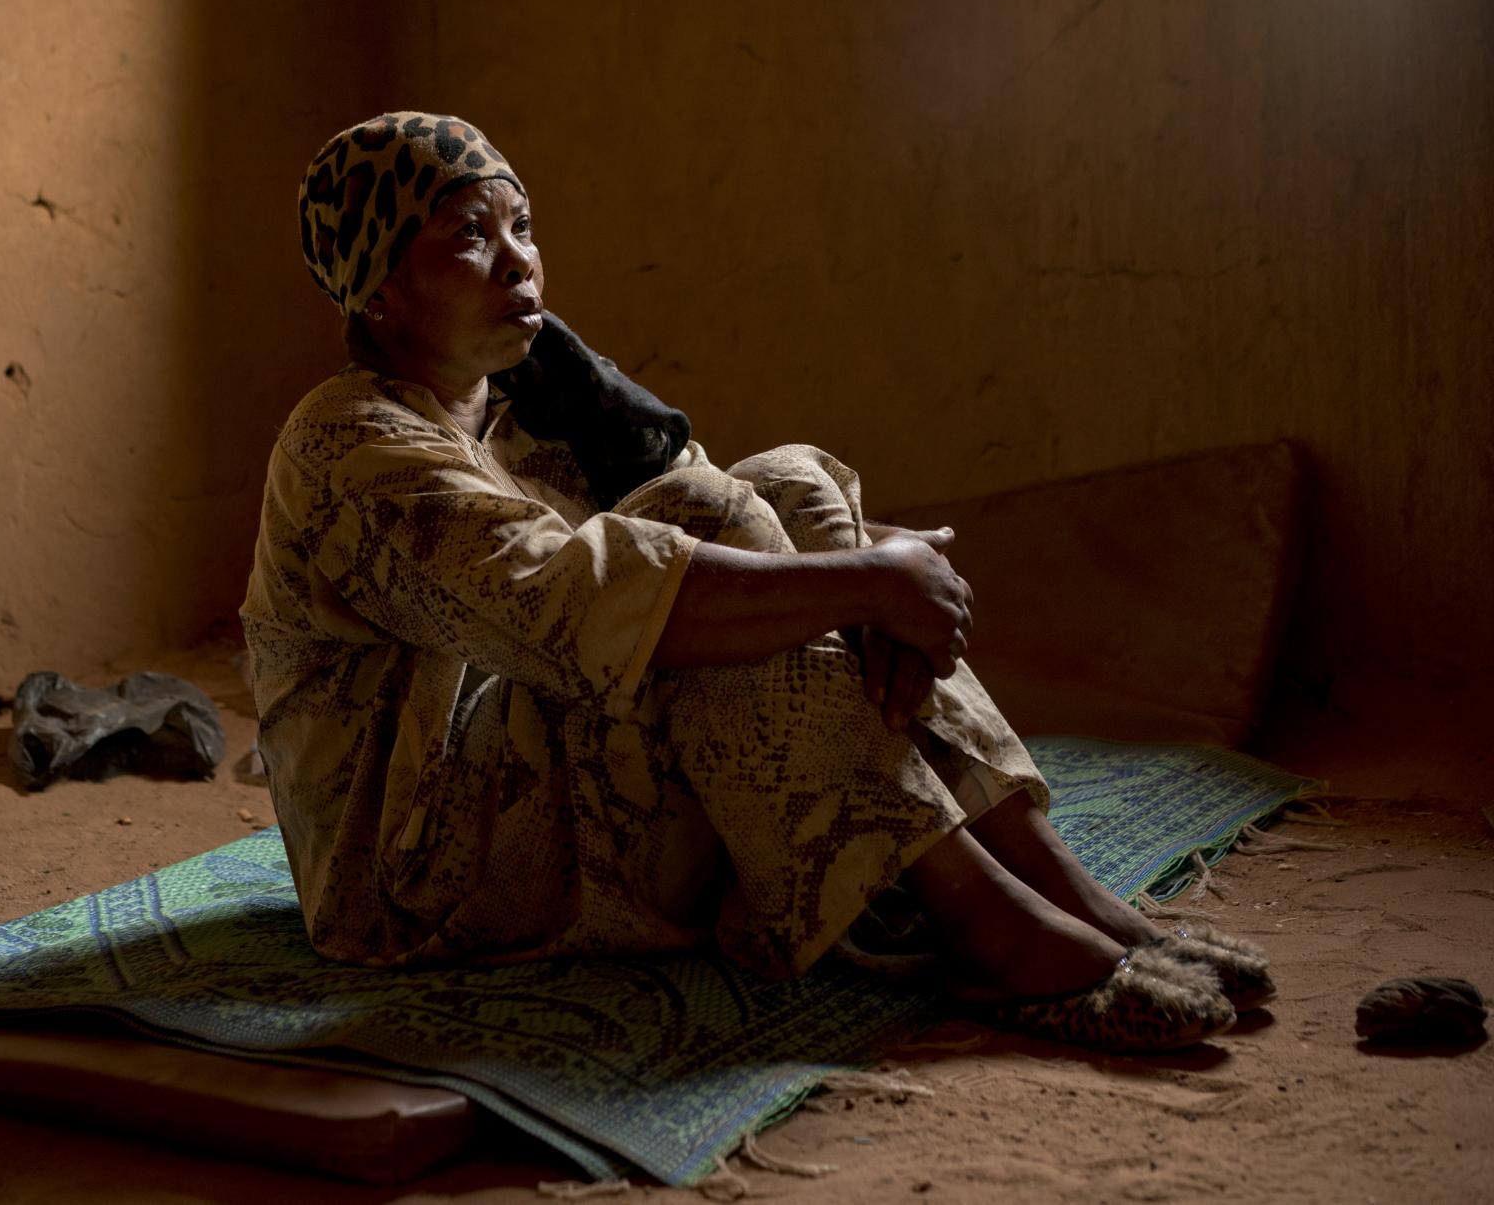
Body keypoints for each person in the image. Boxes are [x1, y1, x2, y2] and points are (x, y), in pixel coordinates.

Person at [240, 112, 1271, 1052]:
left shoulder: (519, 397)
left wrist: (847, 556)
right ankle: (984, 924)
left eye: (523, 225)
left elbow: (734, 514)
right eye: (470, 235)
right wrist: (864, 581)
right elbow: (568, 606)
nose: (519, 262)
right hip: (419, 872)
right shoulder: (349, 444)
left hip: (541, 770)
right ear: (376, 284)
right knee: (746, 545)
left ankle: (1047, 879)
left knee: (792, 483)